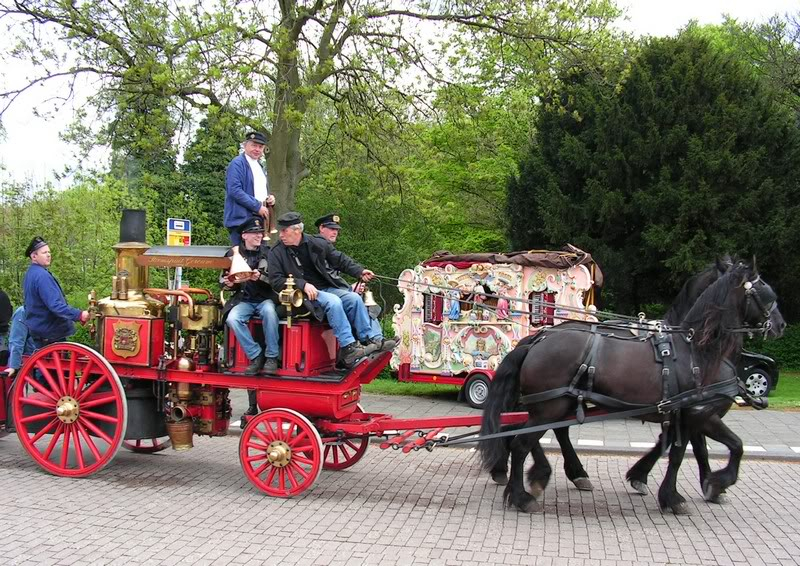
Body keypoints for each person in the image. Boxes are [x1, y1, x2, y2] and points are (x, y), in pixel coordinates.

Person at [269, 212, 393, 369]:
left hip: (326, 289)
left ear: (297, 230)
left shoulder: (316, 243)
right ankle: (348, 348)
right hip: (302, 297)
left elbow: (339, 259)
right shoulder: (276, 252)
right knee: (333, 301)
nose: (281, 235)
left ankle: (369, 339)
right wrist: (302, 284)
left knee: (353, 298)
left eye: (284, 231)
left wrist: (360, 271)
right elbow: (276, 281)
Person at [312, 213, 389, 344]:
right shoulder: (315, 246)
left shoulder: (327, 248)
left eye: (336, 229)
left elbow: (342, 262)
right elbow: (327, 276)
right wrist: (349, 288)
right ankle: (370, 340)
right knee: (356, 299)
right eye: (331, 229)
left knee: (368, 304)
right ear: (321, 228)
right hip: (319, 293)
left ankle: (377, 340)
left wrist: (360, 272)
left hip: (330, 291)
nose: (335, 232)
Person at [221, 216, 281, 376]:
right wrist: (228, 283)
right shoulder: (233, 254)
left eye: (260, 232)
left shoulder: (269, 253)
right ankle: (255, 355)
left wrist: (260, 277)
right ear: (244, 235)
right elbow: (223, 280)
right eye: (255, 233)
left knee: (270, 312)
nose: (259, 235)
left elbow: (276, 280)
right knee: (232, 318)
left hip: (265, 299)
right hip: (244, 300)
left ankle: (272, 357)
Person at [22, 237, 89, 348]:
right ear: (34, 256)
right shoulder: (41, 276)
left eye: (49, 252)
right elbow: (55, 305)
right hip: (50, 333)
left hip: (40, 331)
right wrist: (79, 315)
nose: (48, 255)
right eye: (44, 252)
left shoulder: (31, 273)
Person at [224, 131, 276, 245]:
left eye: (260, 146)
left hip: (259, 221)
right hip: (241, 221)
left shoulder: (260, 166)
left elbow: (259, 190)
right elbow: (234, 191)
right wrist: (257, 206)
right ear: (245, 145)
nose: (257, 149)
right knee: (242, 259)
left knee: (261, 258)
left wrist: (269, 198)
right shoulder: (237, 164)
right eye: (254, 145)